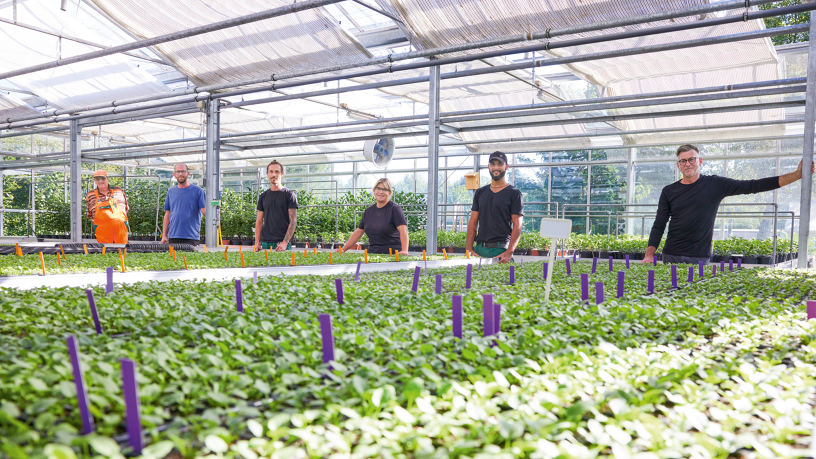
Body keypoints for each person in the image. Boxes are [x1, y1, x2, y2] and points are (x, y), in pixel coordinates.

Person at [643, 144, 815, 265]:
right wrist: (649, 255)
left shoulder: (715, 184)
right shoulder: (668, 191)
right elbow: (659, 224)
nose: (687, 164)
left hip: (698, 257)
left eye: (691, 159)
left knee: (693, 303)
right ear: (678, 165)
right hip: (670, 255)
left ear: (700, 161)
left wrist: (796, 175)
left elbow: (752, 186)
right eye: (683, 161)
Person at [466, 151, 524, 263]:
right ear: (488, 166)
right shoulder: (480, 192)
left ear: (506, 166)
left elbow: (518, 225)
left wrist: (509, 252)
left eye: (500, 164)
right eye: (492, 164)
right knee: (475, 280)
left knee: (503, 280)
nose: (496, 167)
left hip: (501, 251)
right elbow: (473, 222)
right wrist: (469, 249)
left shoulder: (514, 193)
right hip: (479, 250)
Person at [340, 178, 409, 255]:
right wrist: (343, 249)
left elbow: (403, 230)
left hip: (392, 254)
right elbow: (358, 232)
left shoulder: (394, 209)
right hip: (372, 254)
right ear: (374, 190)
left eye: (384, 189)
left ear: (389, 193)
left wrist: (404, 250)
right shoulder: (368, 211)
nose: (381, 192)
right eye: (378, 188)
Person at [254, 160, 298, 252]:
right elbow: (259, 222)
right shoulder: (263, 196)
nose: (274, 174)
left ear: (282, 174)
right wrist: (257, 242)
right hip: (265, 243)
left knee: (283, 266)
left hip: (281, 243)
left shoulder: (289, 195)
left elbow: (293, 221)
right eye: (271, 172)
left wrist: (285, 242)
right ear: (267, 174)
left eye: (277, 172)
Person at [160, 163, 206, 246]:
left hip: (191, 236)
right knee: (173, 259)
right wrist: (164, 235)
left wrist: (214, 212)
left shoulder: (198, 191)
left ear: (188, 173)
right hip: (174, 235)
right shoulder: (171, 192)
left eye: (183, 171)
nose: (180, 174)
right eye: (178, 172)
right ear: (174, 174)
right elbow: (167, 214)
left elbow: (204, 210)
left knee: (190, 259)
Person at [85, 169, 130, 244]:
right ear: (95, 181)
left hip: (120, 228)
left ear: (107, 179)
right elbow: (90, 214)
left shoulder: (118, 190)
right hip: (102, 229)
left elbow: (126, 208)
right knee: (105, 250)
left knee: (123, 249)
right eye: (97, 179)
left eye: (103, 178)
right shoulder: (91, 194)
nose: (100, 181)